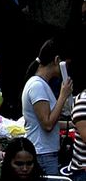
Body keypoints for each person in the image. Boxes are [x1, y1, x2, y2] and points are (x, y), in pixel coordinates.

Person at [21, 42, 72, 174]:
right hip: (43, 153)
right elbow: (47, 124)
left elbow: (51, 121)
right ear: (57, 61)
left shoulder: (41, 84)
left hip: (46, 152)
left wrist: (73, 124)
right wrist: (63, 96)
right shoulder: (37, 86)